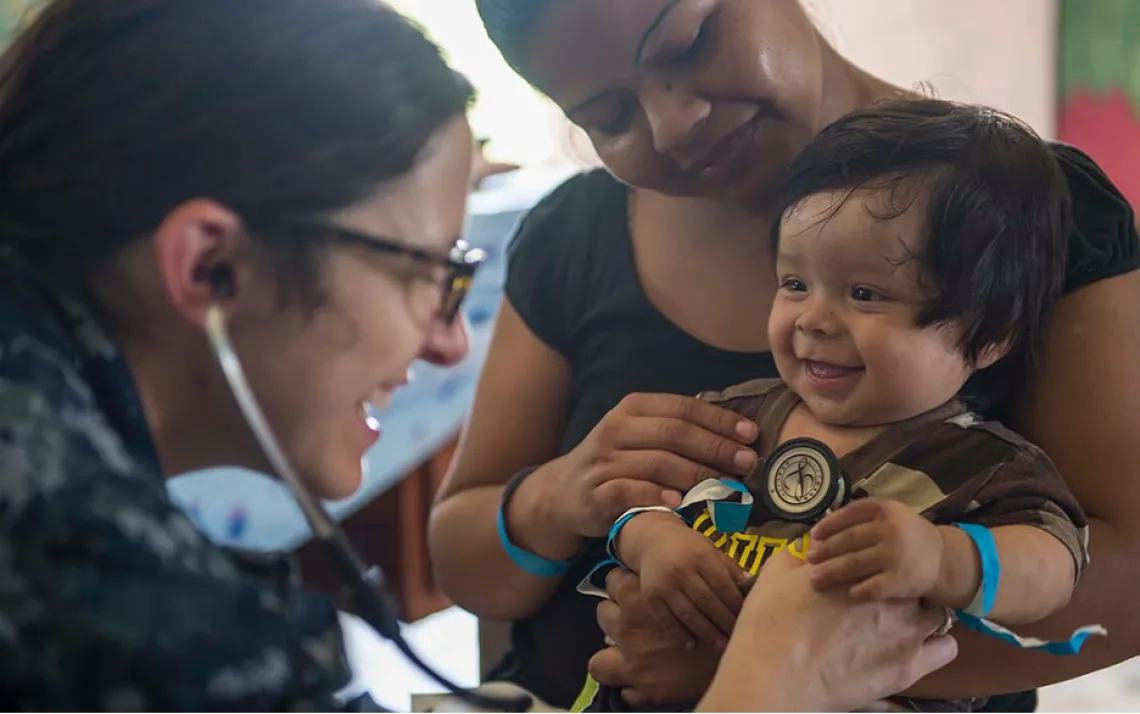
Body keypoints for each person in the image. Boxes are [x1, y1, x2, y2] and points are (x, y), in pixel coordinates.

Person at [0, 1, 956, 713]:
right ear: (210, 268)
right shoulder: (143, 614)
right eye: (426, 269)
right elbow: (468, 544)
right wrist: (766, 688)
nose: (449, 337)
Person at [431, 1, 1140, 713]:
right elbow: (463, 558)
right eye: (608, 117)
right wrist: (562, 496)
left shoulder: (1025, 216)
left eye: (688, 43)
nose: (673, 125)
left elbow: (1126, 580)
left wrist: (753, 667)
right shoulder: (570, 236)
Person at [574, 99, 1096, 714]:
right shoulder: (731, 418)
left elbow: (1056, 565)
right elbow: (635, 500)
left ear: (989, 333)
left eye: (864, 293)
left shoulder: (983, 465)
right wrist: (653, 539)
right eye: (794, 283)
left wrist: (942, 559)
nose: (813, 319)